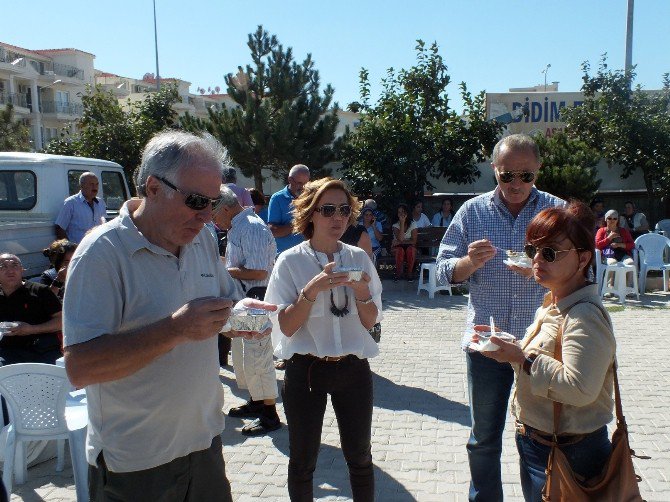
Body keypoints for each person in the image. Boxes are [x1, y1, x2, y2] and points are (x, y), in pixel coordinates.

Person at [62, 131, 275, 502]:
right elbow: (81, 368)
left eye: (213, 202)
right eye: (196, 201)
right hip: (136, 464)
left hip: (205, 446)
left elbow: (220, 306)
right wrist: (176, 329)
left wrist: (240, 318)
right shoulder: (101, 254)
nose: (208, 215)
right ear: (153, 188)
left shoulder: (202, 239)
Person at [436, 133, 563, 502]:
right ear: (494, 170)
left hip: (539, 345)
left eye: (525, 175)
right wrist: (467, 263)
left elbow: (581, 271)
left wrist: (542, 271)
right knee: (483, 439)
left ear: (538, 169)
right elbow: (443, 271)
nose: (516, 185)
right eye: (507, 176)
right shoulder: (472, 212)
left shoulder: (555, 213)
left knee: (539, 438)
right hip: (487, 343)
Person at [476, 202, 615, 502]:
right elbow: (547, 356)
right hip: (541, 445)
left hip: (571, 452)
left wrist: (519, 357)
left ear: (582, 259)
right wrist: (508, 345)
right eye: (532, 250)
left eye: (550, 252)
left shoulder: (584, 316)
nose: (537, 259)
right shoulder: (554, 301)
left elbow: (579, 388)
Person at [264, 178, 382, 502]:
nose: (338, 217)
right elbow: (285, 327)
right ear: (310, 213)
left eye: (344, 210)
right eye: (328, 209)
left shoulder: (359, 259)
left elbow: (371, 322)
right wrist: (310, 291)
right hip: (307, 371)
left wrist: (361, 294)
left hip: (354, 370)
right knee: (302, 461)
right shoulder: (290, 261)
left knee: (360, 458)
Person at [212, 185, 281, 436]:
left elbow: (260, 272)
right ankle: (256, 402)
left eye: (214, 213)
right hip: (243, 301)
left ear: (227, 207)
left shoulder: (251, 227)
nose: (212, 219)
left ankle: (270, 415)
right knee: (244, 359)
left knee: (258, 358)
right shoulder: (238, 227)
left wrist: (221, 271)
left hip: (256, 300)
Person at [0, 253, 62, 366]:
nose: (10, 270)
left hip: (42, 350)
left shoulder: (40, 291)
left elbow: (61, 321)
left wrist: (31, 329)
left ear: (22, 270)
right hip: (6, 351)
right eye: (3, 266)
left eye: (15, 265)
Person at [268, 164, 311, 255]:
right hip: (284, 255)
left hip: (308, 255)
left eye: (306, 184)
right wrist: (298, 223)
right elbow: (273, 231)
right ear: (290, 180)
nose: (303, 188)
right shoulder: (277, 198)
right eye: (300, 183)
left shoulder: (310, 197)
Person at [54, 172, 107, 243]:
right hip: (78, 249)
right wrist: (70, 249)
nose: (95, 188)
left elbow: (103, 225)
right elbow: (60, 228)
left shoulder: (101, 203)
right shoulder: (71, 203)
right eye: (91, 184)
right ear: (82, 185)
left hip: (96, 249)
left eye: (97, 184)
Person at [392, 203, 418, 282]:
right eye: (399, 212)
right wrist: (402, 222)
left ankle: (409, 273)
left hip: (409, 247)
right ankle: (398, 273)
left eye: (403, 211)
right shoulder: (395, 225)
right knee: (400, 250)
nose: (401, 214)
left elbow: (414, 241)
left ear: (407, 212)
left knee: (411, 250)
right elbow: (400, 238)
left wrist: (399, 242)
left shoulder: (413, 224)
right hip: (397, 248)